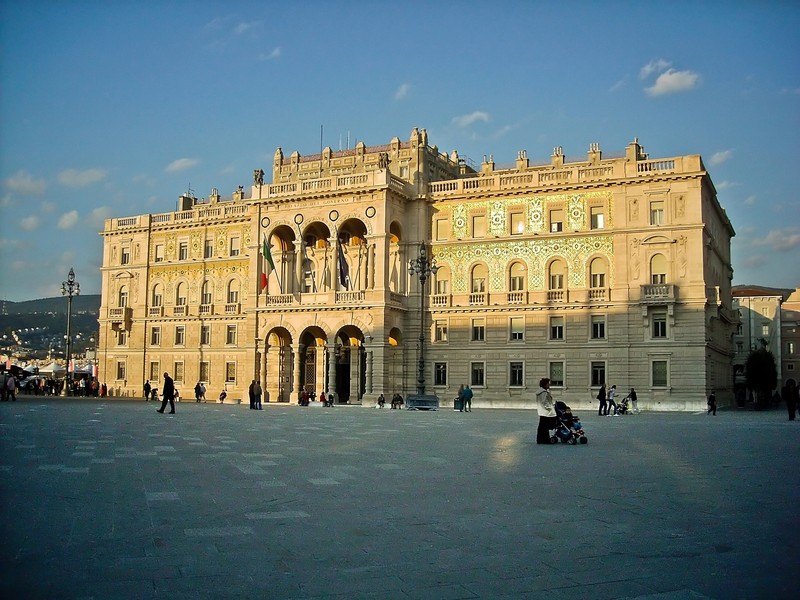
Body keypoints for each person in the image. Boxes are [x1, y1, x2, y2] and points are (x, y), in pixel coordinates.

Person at [536, 378, 557, 444]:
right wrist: (550, 408)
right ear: (545, 384)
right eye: (548, 383)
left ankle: (540, 439)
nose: (549, 385)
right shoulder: (544, 393)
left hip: (542, 411)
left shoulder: (539, 392)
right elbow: (545, 402)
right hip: (546, 412)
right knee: (544, 427)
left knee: (542, 426)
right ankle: (545, 440)